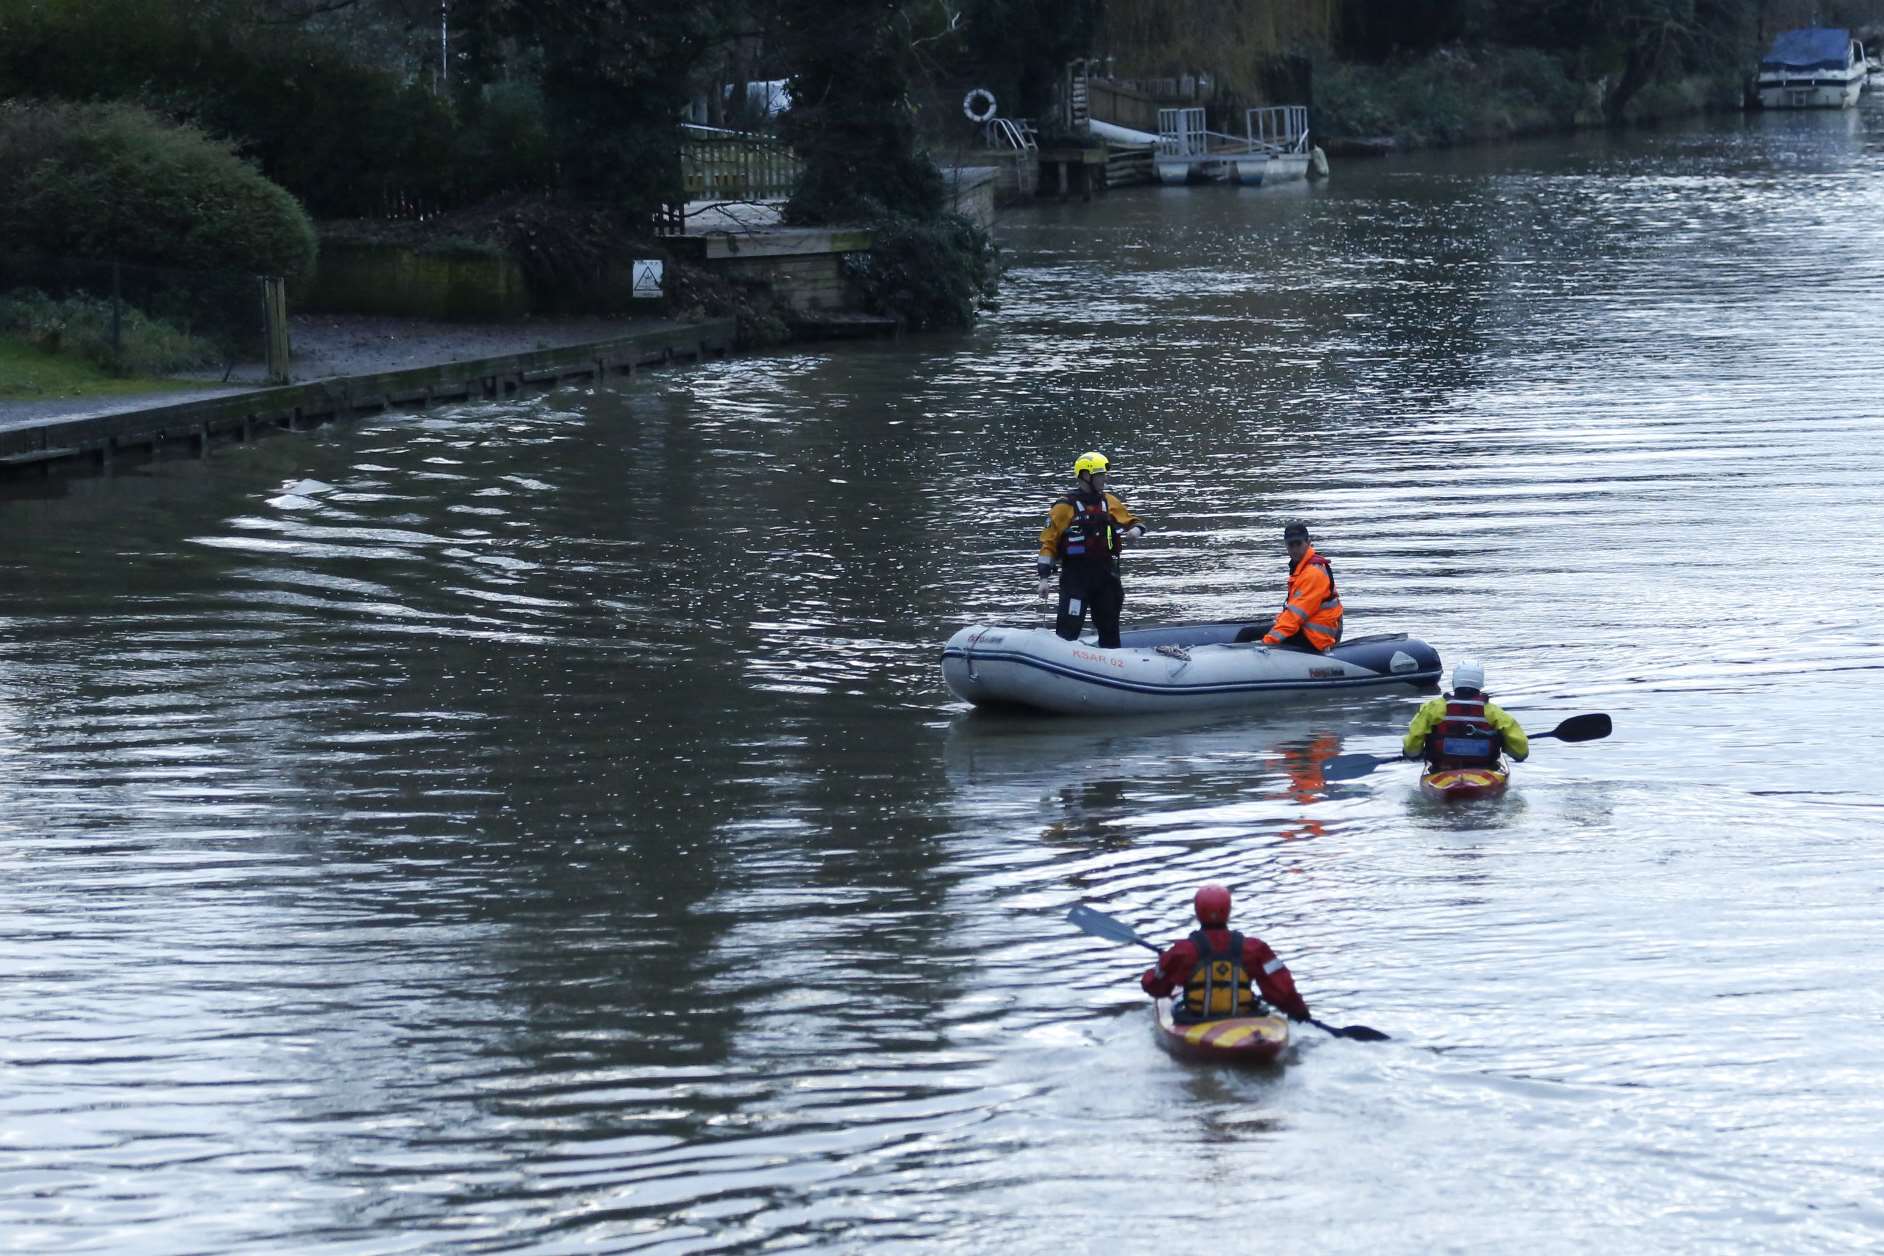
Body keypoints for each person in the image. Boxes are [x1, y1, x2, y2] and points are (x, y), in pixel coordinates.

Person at [1140, 885, 1311, 1024]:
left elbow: (1155, 987)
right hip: (1245, 1019)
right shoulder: (1255, 948)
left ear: (1197, 911)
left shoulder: (1183, 951)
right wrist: (1298, 1010)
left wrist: (1164, 963)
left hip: (1196, 1020)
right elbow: (1281, 987)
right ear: (1228, 910)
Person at [1036, 451, 1145, 649]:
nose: (1105, 478)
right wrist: (1044, 579)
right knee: (1069, 628)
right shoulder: (1064, 507)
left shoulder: (1109, 501)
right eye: (1100, 474)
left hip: (1106, 576)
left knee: (1110, 629)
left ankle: (1112, 668)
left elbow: (1132, 522)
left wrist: (1136, 531)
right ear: (1086, 476)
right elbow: (1049, 544)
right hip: (1076, 578)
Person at [1403, 658, 1530, 770]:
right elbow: (1521, 752)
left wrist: (1413, 754)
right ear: (1480, 683)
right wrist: (1505, 744)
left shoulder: (1432, 709)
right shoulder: (1495, 714)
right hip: (1484, 770)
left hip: (1441, 770)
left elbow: (1412, 747)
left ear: (1455, 681)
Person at [1259, 520, 1343, 652]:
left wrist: (1266, 644)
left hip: (1316, 638)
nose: (1294, 549)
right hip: (1308, 629)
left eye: (1298, 544)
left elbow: (1295, 616)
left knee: (1257, 636)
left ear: (1308, 543)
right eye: (1291, 545)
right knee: (1252, 633)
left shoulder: (1313, 574)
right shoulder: (1301, 568)